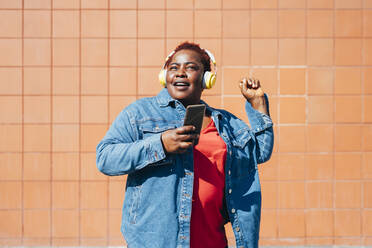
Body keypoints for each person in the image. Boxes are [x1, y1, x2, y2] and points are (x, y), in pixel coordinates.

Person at [96, 41, 274, 248]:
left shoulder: (225, 123)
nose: (180, 73)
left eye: (190, 67)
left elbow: (259, 152)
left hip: (212, 242)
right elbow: (105, 158)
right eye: (174, 68)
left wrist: (259, 106)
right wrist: (160, 145)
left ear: (207, 79)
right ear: (164, 77)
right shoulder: (139, 113)